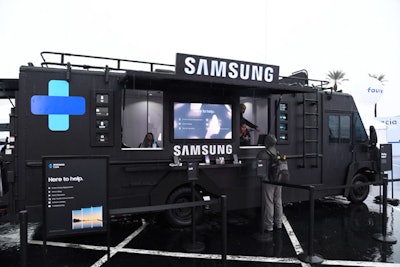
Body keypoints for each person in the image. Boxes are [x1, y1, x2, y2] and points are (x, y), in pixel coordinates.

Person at [257, 134, 283, 233]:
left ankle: (269, 226)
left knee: (269, 202)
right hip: (278, 180)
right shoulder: (278, 152)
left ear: (266, 143)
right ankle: (279, 223)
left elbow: (260, 172)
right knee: (278, 201)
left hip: (268, 181)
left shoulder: (262, 154)